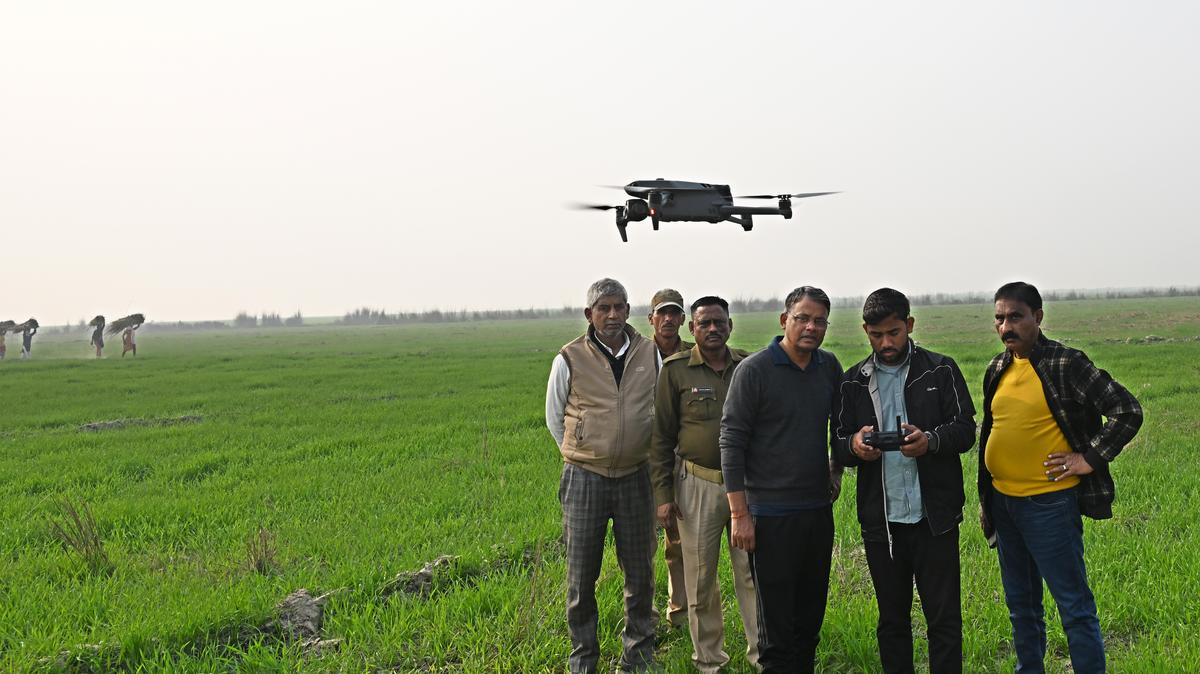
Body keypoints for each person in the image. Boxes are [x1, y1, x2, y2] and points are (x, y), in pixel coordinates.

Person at [979, 281, 1143, 673]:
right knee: (1021, 607)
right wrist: (987, 501)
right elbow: (992, 431)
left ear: (1038, 317)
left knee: (1074, 607)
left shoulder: (1066, 363)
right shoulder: (997, 367)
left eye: (1015, 317)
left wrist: (1089, 458)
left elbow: (1127, 410)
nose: (1006, 327)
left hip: (1048, 507)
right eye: (999, 318)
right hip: (1004, 504)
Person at [832, 288, 976, 674]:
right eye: (877, 335)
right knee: (892, 620)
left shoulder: (940, 370)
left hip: (935, 519)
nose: (886, 342)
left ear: (909, 325)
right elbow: (839, 443)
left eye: (894, 333)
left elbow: (965, 430)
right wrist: (857, 446)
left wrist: (930, 441)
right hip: (882, 522)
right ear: (865, 331)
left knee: (944, 619)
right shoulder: (852, 383)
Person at [720, 286, 844, 673]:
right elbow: (731, 441)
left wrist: (836, 470)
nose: (811, 327)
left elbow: (839, 427)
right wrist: (739, 514)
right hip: (770, 516)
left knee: (809, 621)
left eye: (819, 320)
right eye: (802, 318)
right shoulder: (754, 370)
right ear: (783, 320)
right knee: (775, 630)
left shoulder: (829, 367)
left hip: (817, 512)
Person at [546, 278, 658, 673]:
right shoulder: (569, 357)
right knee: (581, 578)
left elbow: (657, 409)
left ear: (628, 311)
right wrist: (583, 450)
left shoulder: (650, 354)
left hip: (636, 477)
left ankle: (638, 657)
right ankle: (584, 659)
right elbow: (554, 417)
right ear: (589, 314)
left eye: (619, 307)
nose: (612, 315)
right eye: (603, 308)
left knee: (640, 574)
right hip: (584, 479)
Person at [651, 295, 759, 673]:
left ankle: (763, 655)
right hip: (696, 484)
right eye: (704, 324)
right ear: (691, 329)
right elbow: (662, 438)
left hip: (746, 486)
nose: (713, 329)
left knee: (752, 573)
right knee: (700, 579)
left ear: (730, 325)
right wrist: (663, 497)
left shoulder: (748, 366)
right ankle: (709, 660)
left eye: (719, 322)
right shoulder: (675, 370)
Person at [646, 287, 693, 629]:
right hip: (641, 459)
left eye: (674, 313)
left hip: (682, 459)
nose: (668, 319)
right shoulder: (636, 356)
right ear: (651, 319)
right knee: (642, 543)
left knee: (678, 539)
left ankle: (679, 613)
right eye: (662, 313)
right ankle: (643, 617)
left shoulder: (696, 354)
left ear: (683, 319)